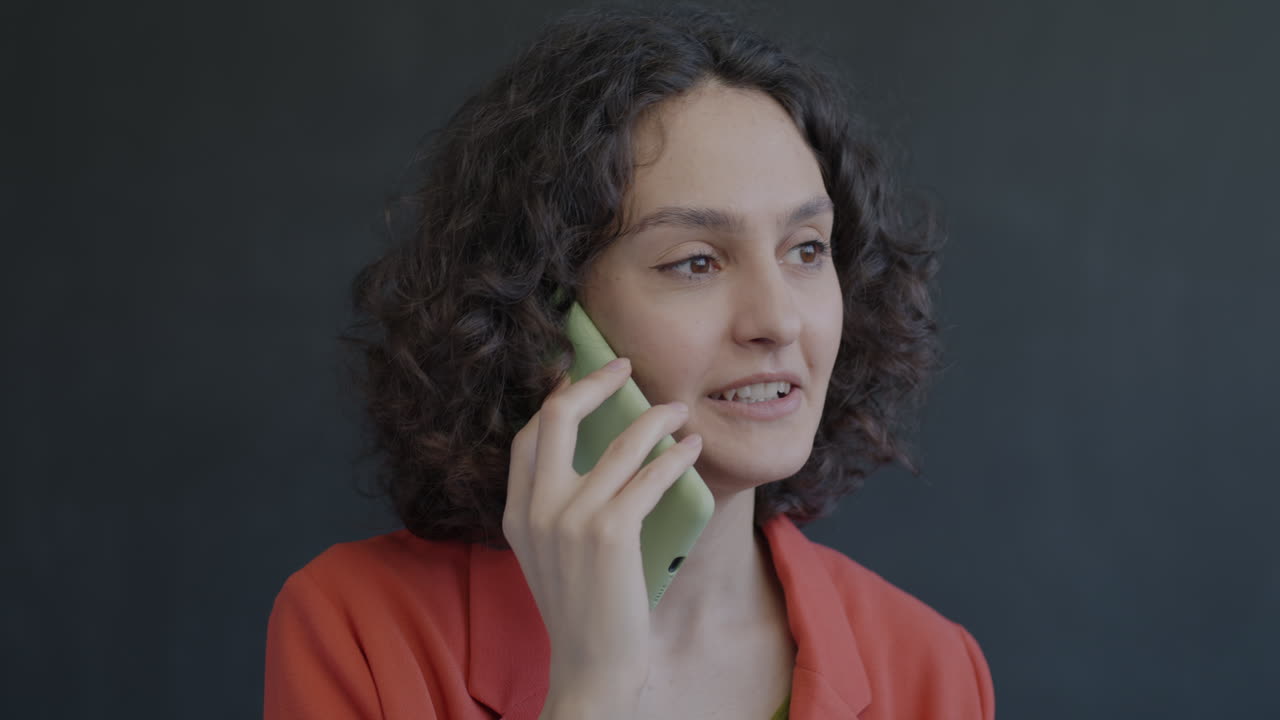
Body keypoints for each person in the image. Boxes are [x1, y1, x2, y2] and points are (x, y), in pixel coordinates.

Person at [264, 3, 995, 718]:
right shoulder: (359, 630)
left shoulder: (933, 669)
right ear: (544, 315)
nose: (778, 319)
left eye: (807, 249)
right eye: (697, 262)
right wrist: (593, 687)